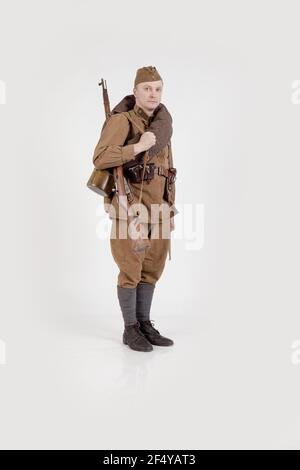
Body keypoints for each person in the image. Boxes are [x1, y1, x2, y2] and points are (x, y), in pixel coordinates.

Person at [92, 65, 178, 352]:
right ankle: (130, 329)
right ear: (135, 92)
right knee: (131, 268)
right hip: (130, 209)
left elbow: (168, 170)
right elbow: (101, 157)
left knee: (153, 268)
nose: (153, 94)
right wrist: (137, 147)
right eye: (147, 89)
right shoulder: (123, 121)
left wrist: (171, 208)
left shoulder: (162, 125)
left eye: (158, 88)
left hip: (160, 210)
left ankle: (144, 324)